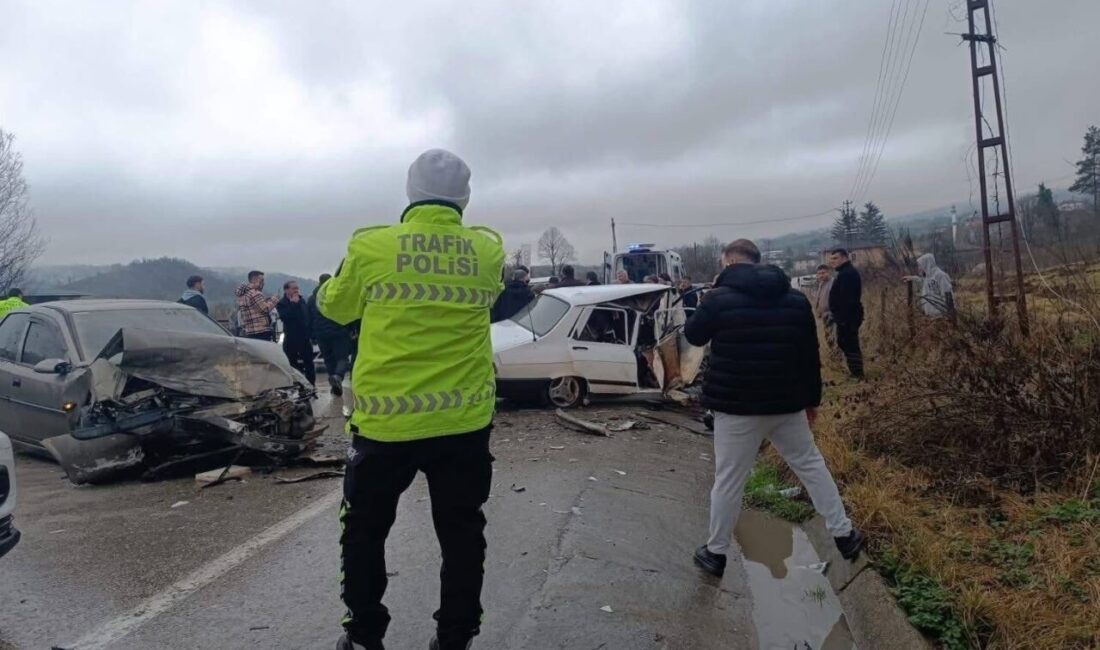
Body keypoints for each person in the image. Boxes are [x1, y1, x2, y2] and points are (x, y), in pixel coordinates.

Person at [319, 149, 505, 650]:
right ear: (464, 198)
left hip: (385, 425)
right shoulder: (487, 251)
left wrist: (333, 281)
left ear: (409, 193)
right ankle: (455, 637)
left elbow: (335, 308)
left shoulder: (372, 247)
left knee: (364, 531)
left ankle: (363, 636)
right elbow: (491, 297)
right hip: (463, 422)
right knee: (462, 532)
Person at [685, 239, 864, 579]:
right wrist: (811, 402)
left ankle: (716, 553)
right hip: (786, 404)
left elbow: (693, 336)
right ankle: (844, 534)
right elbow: (810, 357)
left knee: (728, 480)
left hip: (736, 408)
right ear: (759, 261)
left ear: (729, 263)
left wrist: (711, 295)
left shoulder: (718, 299)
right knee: (811, 466)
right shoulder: (795, 299)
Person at [309, 274, 354, 396]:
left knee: (329, 360)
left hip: (321, 334)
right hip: (338, 331)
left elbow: (309, 318)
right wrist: (351, 329)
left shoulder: (312, 298)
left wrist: (312, 335)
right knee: (342, 358)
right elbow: (348, 312)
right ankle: (338, 377)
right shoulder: (337, 295)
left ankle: (334, 386)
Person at [827, 248, 864, 378]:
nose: (833, 262)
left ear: (844, 258)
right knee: (844, 343)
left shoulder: (848, 274)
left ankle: (858, 373)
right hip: (844, 317)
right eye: (832, 259)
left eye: (835, 258)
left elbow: (847, 299)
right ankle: (855, 370)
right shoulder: (843, 273)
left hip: (848, 317)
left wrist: (843, 318)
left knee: (850, 344)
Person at [275, 280, 316, 385]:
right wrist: (293, 304)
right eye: (294, 288)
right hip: (290, 338)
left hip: (304, 337)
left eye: (297, 288)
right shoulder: (282, 303)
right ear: (286, 290)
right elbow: (286, 317)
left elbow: (306, 316)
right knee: (292, 363)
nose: (296, 290)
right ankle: (299, 384)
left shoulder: (302, 301)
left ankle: (312, 385)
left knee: (309, 363)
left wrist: (310, 332)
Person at [904, 253, 955, 319]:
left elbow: (947, 294)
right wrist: (913, 278)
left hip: (941, 315)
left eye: (920, 266)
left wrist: (948, 314)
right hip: (932, 316)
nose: (919, 268)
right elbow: (925, 284)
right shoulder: (928, 277)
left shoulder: (940, 275)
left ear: (926, 264)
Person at [235, 271, 280, 341]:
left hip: (249, 331)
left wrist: (265, 301)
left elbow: (254, 309)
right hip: (261, 332)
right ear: (254, 280)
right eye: (261, 280)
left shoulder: (243, 294)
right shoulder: (255, 293)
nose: (263, 283)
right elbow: (265, 309)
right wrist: (274, 299)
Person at [811, 265, 835, 348]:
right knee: (828, 336)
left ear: (828, 272)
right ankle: (833, 356)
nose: (821, 275)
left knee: (833, 337)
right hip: (824, 315)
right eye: (819, 273)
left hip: (831, 315)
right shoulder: (821, 284)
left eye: (823, 273)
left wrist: (832, 314)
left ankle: (836, 356)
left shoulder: (833, 283)